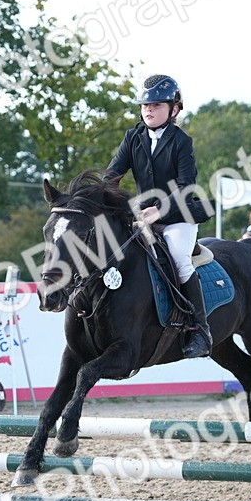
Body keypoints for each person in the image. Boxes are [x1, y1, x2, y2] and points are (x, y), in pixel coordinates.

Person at [105, 74, 212, 358]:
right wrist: (98, 197)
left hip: (177, 216)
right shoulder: (133, 137)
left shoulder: (181, 141)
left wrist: (159, 209)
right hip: (143, 217)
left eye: (156, 105)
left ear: (174, 109)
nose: (148, 110)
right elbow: (113, 172)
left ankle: (200, 330)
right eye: (144, 106)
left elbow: (185, 184)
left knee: (179, 259)